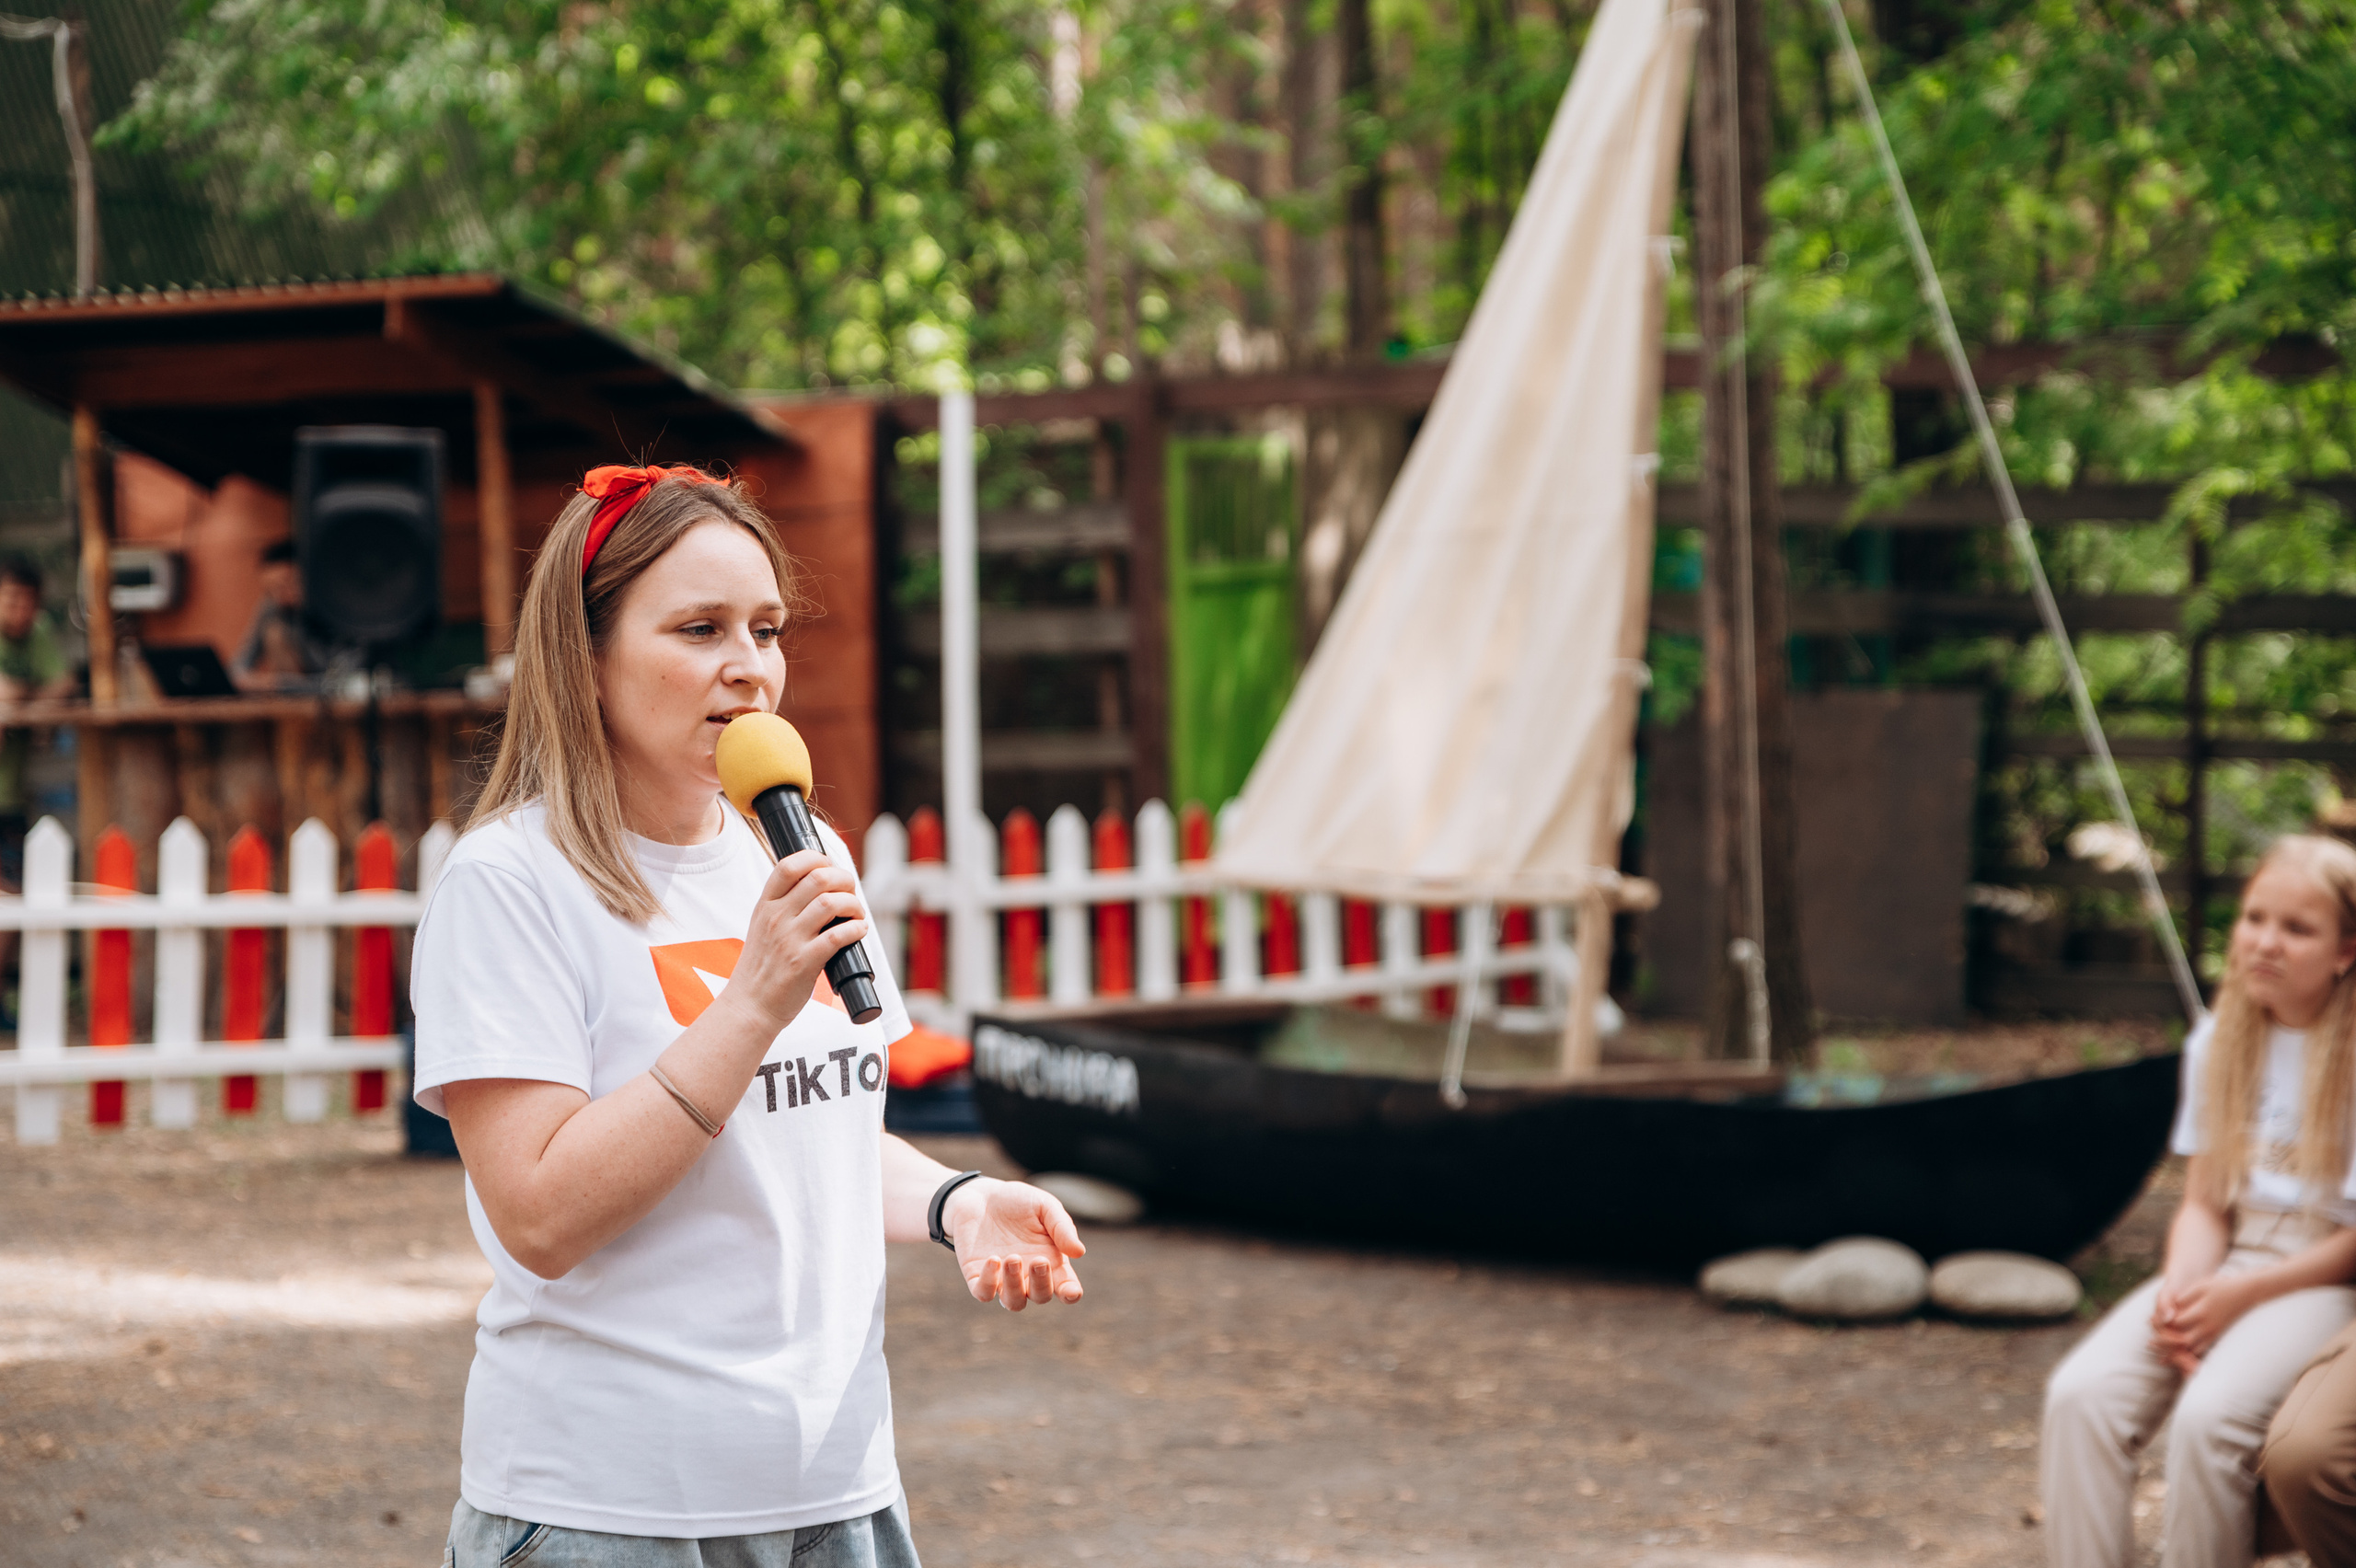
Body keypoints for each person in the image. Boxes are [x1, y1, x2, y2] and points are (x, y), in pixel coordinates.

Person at [411, 464, 1088, 1567]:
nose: (750, 667)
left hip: (838, 1492)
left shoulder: (803, 851)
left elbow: (813, 1132)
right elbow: (539, 1216)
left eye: (766, 630)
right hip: (610, 1512)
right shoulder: (508, 884)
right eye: (700, 629)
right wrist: (750, 1006)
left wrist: (955, 1202)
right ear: (585, 657)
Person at [2042, 834, 2356, 1568]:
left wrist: (2239, 1297)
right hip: (2231, 1255)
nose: (2265, 942)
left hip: (2322, 1274)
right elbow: (2205, 1202)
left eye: (2297, 928)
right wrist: (2183, 1292)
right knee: (2081, 1396)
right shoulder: (2219, 1038)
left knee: (2210, 1419)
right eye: (2254, 919)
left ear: (2346, 952)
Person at [0, 555, 73, 887]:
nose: (20, 611)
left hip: (12, 792)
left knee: (14, 889)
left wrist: (21, 703)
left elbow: (62, 683)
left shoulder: (38, 631)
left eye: (28, 603)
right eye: (12, 600)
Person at [232, 538, 326, 689]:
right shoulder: (272, 606)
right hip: (296, 691)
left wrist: (280, 684)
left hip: (331, 693)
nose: (278, 596)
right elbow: (240, 663)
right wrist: (244, 680)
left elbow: (343, 682)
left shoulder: (334, 611)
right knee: (274, 632)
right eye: (271, 589)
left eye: (284, 584)